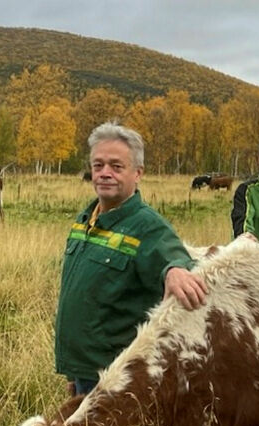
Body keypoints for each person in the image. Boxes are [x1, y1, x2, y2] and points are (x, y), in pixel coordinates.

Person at [55, 122, 208, 396]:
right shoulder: (85, 219)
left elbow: (173, 257)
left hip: (117, 377)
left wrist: (176, 271)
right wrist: (74, 372)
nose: (104, 173)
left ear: (138, 173)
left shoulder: (147, 226)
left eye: (116, 166)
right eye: (98, 165)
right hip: (84, 370)